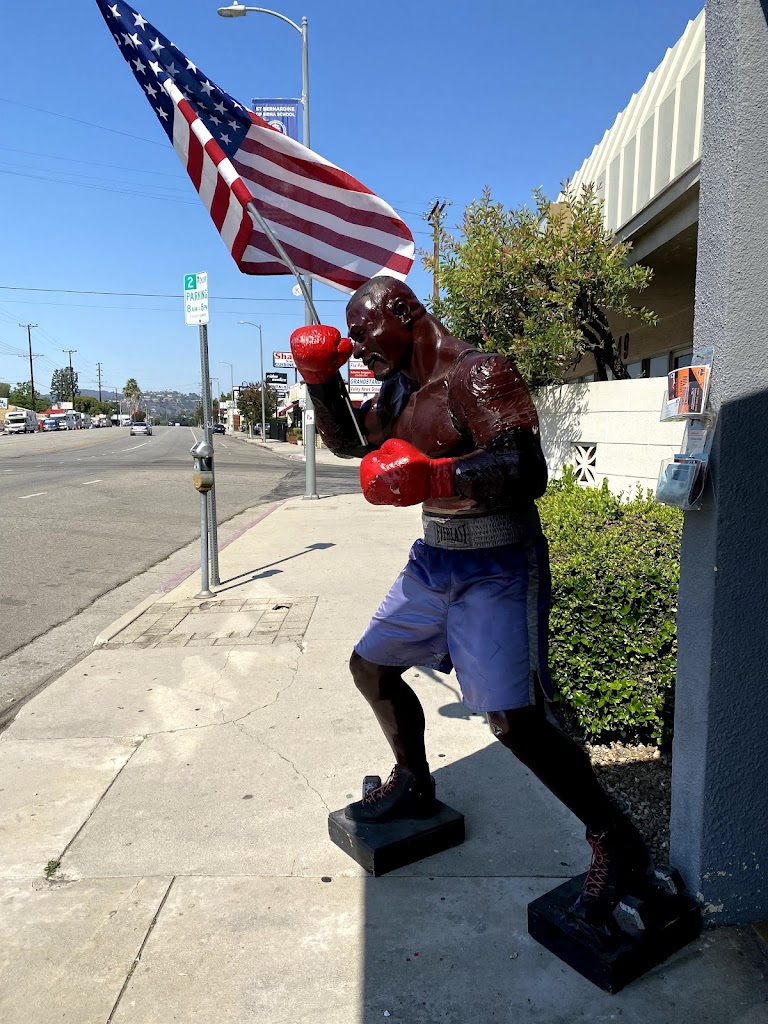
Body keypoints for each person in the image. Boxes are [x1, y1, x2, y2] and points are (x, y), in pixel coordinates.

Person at [289, 276, 651, 926]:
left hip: (498, 563)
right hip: (434, 559)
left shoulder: (479, 374)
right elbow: (349, 443)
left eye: (363, 332)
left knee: (515, 723)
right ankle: (413, 780)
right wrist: (320, 379)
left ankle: (615, 840)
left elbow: (526, 470)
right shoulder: (399, 391)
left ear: (404, 311)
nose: (356, 346)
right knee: (371, 667)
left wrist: (435, 475)